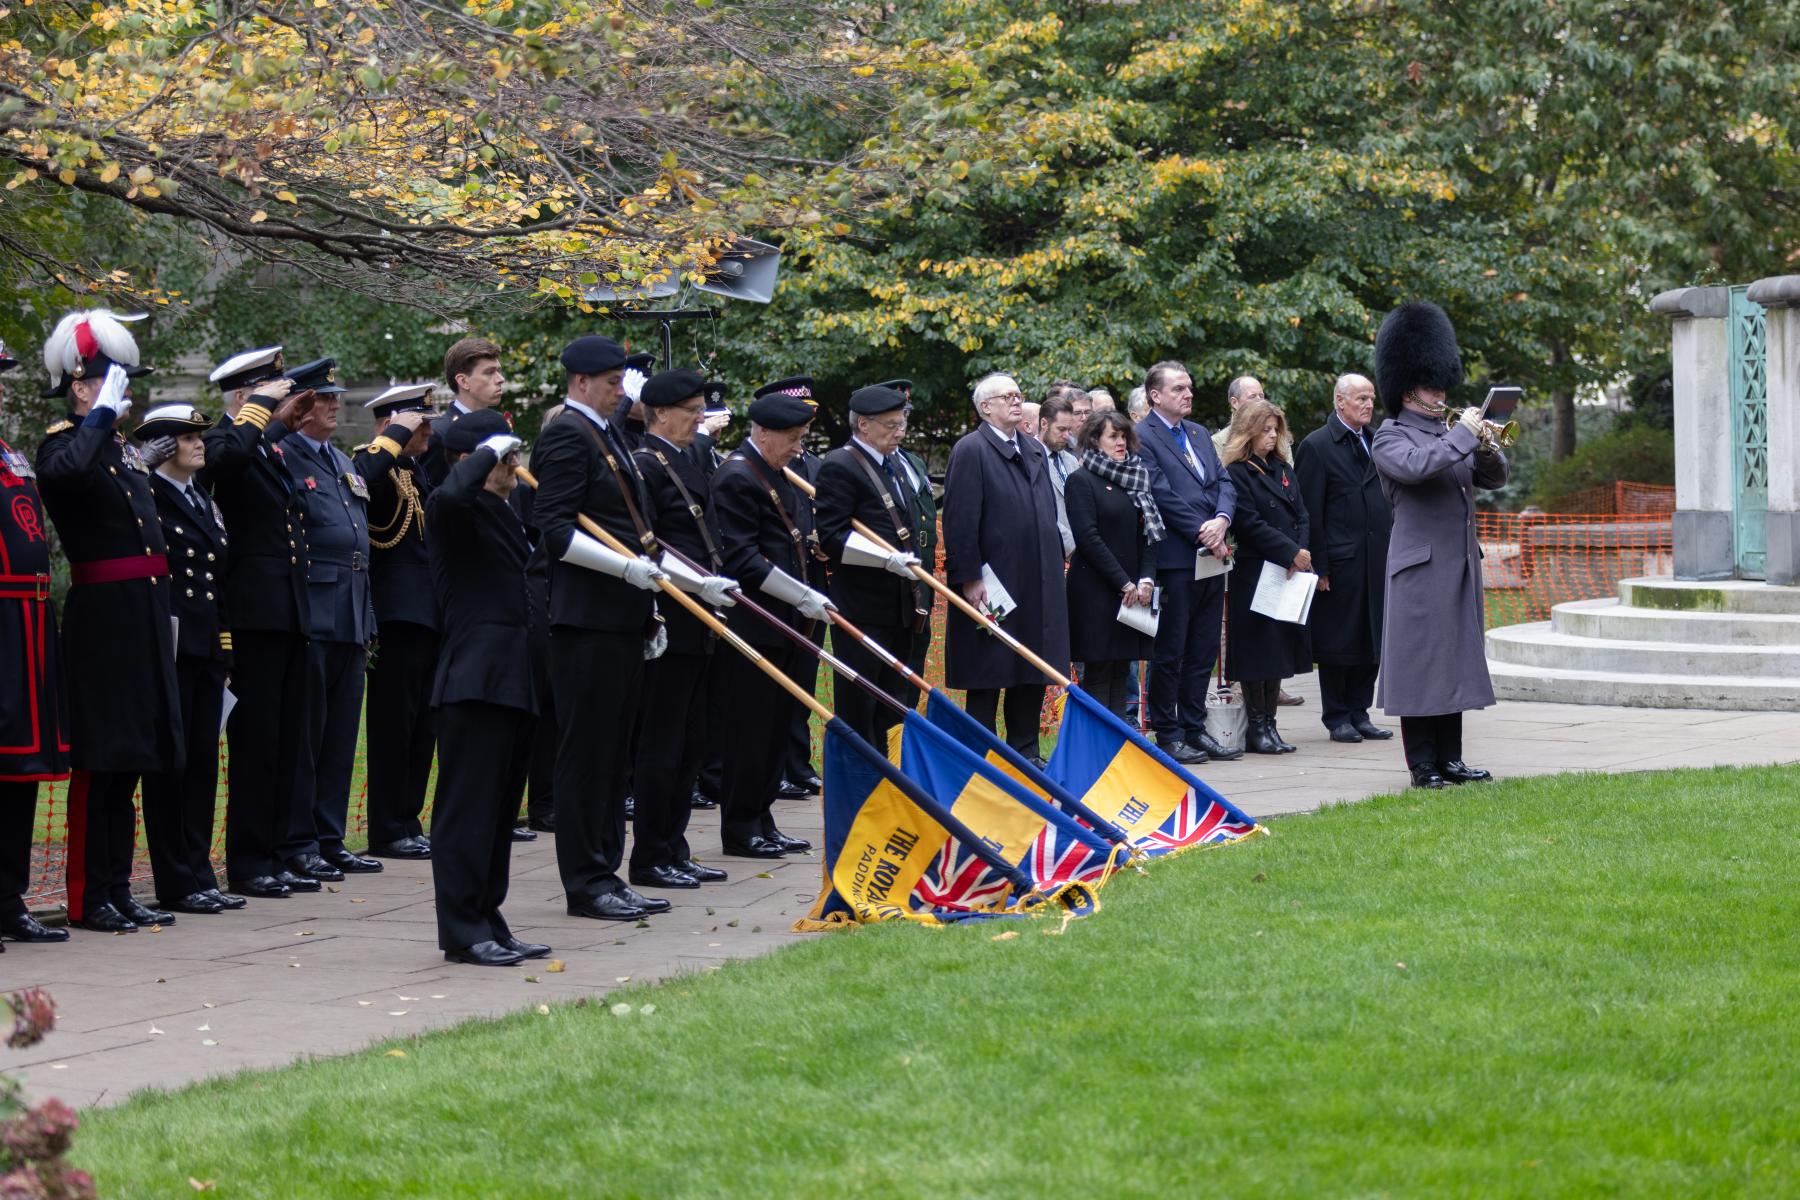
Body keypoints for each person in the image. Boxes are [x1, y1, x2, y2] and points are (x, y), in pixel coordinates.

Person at [34, 309, 182, 932]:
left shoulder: (118, 449)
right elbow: (67, 476)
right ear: (79, 385)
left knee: (133, 760)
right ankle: (89, 895)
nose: (121, 392)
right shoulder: (63, 443)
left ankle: (117, 887)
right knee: (102, 761)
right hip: (103, 621)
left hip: (144, 613)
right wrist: (95, 418)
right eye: (109, 380)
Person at [531, 334, 671, 921]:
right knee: (588, 754)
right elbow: (554, 528)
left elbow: (632, 524)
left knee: (615, 753)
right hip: (586, 620)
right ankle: (585, 880)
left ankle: (607, 870)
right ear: (581, 381)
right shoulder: (567, 431)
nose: (622, 390)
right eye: (614, 381)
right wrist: (625, 569)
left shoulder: (608, 431)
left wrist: (654, 590)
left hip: (622, 615)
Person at [423, 408, 550, 966]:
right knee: (467, 812)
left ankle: (489, 917)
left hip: (514, 680)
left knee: (499, 815)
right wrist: (483, 451)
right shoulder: (456, 509)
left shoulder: (503, 512)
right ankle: (462, 929)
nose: (514, 466)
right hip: (474, 680)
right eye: (506, 458)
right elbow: (448, 495)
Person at [1370, 300, 1508, 789]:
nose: (1442, 392)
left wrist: (1487, 443)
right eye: (1433, 385)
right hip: (1419, 566)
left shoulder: (1453, 432)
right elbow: (1416, 466)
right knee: (1420, 666)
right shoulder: (1390, 436)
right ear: (1409, 390)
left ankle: (1451, 759)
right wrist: (1464, 436)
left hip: (1459, 563)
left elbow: (1492, 478)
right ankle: (1422, 765)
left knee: (1452, 663)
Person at [202, 347, 317, 898]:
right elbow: (222, 461)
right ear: (245, 396)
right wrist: (255, 414)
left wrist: (274, 420)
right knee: (257, 745)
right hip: (252, 616)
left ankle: (275, 851)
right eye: (274, 392)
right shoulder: (223, 439)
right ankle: (249, 860)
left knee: (285, 743)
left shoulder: (265, 449)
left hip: (287, 612)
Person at [627, 369, 736, 889]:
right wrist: (697, 586)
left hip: (702, 618)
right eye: (691, 411)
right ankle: (651, 854)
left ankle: (676, 846)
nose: (699, 419)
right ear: (662, 413)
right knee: (663, 743)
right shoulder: (646, 464)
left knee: (692, 742)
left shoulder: (682, 458)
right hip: (672, 618)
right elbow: (650, 547)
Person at [711, 389, 830, 857]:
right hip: (754, 621)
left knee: (778, 725)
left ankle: (763, 816)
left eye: (802, 437)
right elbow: (741, 556)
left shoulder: (778, 473)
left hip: (787, 622)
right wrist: (801, 595)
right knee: (750, 728)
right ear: (761, 432)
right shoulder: (738, 477)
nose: (799, 447)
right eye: (792, 438)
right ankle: (741, 826)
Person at [136, 404, 242, 915]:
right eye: (188, 437)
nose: (200, 443)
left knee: (202, 762)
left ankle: (199, 871)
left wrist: (224, 647)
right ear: (162, 445)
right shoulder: (148, 496)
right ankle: (174, 879)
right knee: (170, 767)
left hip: (204, 648)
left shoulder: (202, 500)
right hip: (169, 647)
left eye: (201, 435)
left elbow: (217, 581)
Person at [281, 358, 382, 881]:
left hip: (350, 608)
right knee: (308, 734)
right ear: (298, 406)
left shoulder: (340, 459)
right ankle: (299, 840)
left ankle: (329, 835)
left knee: (342, 734)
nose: (333, 404)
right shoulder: (283, 454)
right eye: (322, 398)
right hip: (315, 609)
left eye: (334, 396)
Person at [941, 373, 1070, 762]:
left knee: (1030, 664)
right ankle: (980, 752)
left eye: (1019, 394)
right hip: (993, 580)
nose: (1017, 401)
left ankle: (1025, 751)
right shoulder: (971, 449)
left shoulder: (1032, 448)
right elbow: (960, 520)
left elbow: (1046, 508)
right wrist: (969, 578)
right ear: (985, 407)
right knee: (989, 667)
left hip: (1036, 578)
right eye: (1007, 396)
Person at [1134, 360, 1242, 764]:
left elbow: (1223, 482)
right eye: (1179, 388)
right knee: (1172, 649)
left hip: (1212, 559)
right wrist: (1205, 530)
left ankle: (1196, 729)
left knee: (1202, 648)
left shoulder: (1197, 434)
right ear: (1155, 395)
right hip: (1176, 559)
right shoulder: (1142, 437)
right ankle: (1169, 731)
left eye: (1189, 388)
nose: (1188, 394)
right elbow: (1160, 494)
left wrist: (1222, 520)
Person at [0, 339, 71, 945]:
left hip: (26, 626)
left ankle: (9, 898)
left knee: (20, 773)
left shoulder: (10, 453)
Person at [814, 384, 928, 748]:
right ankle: (861, 782)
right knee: (860, 702)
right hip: (863, 606)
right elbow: (831, 536)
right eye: (891, 425)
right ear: (864, 425)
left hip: (900, 605)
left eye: (903, 423)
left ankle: (890, 777)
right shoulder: (841, 464)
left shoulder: (893, 462)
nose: (900, 432)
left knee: (894, 703)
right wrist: (885, 559)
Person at [355, 384, 441, 859]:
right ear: (392, 424)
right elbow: (364, 481)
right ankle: (388, 827)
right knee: (394, 725)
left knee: (421, 725)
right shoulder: (373, 462)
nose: (427, 430)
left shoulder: (413, 469)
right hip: (393, 612)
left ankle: (408, 818)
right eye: (419, 423)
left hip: (425, 612)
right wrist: (387, 444)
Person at [1295, 373, 1394, 743]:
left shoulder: (1375, 440)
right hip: (1340, 562)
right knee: (1340, 641)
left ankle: (1360, 711)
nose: (1368, 405)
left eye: (1371, 398)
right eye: (1360, 399)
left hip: (1377, 557)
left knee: (1372, 639)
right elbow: (1309, 510)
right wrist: (1318, 565)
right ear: (1340, 401)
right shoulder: (1317, 446)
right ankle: (1337, 716)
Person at [1220, 400, 1313, 754]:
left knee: (1277, 652)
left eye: (1276, 429)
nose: (1272, 436)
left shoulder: (1282, 468)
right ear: (1249, 431)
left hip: (1289, 569)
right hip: (1257, 570)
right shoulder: (1237, 472)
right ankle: (1256, 727)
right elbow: (1248, 523)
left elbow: (1301, 513)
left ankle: (1271, 725)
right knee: (1256, 651)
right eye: (1265, 430)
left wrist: (1300, 552)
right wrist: (1289, 551)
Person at [1063, 411, 1161, 720]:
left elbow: (1148, 534)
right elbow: (1088, 538)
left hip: (1133, 591)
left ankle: (1120, 747)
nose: (1121, 443)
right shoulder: (1081, 480)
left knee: (1121, 670)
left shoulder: (1135, 478)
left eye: (1124, 437)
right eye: (1113, 437)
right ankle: (1096, 748)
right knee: (1099, 671)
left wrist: (1145, 579)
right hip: (1097, 591)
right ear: (1094, 440)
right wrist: (1123, 582)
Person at [420, 337, 505, 486]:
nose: (500, 379)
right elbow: (436, 500)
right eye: (489, 372)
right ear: (463, 381)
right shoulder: (439, 434)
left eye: (498, 371)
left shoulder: (499, 424)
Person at [1038, 393, 1080, 559]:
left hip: (1081, 553)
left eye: (1069, 430)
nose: (1066, 436)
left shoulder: (1071, 460)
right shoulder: (1027, 459)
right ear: (1044, 424)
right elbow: (1040, 511)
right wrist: (1072, 547)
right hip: (1050, 552)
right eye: (1061, 429)